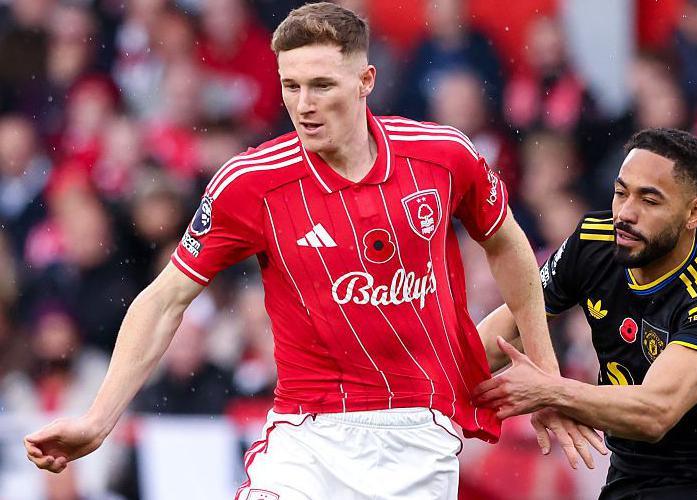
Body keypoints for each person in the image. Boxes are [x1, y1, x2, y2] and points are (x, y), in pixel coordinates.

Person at [23, 3, 602, 499]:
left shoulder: (442, 155)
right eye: (290, 86)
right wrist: (100, 419)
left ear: (366, 80)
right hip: (306, 433)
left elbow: (507, 244)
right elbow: (165, 300)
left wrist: (548, 375)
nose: (303, 104)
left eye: (322, 85)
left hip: (419, 435)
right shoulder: (250, 183)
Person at [474, 128, 697, 499]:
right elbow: (511, 324)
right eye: (621, 193)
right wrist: (426, 383)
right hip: (633, 474)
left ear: (695, 212)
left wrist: (551, 392)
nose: (625, 214)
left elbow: (655, 412)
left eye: (650, 201)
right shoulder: (592, 243)